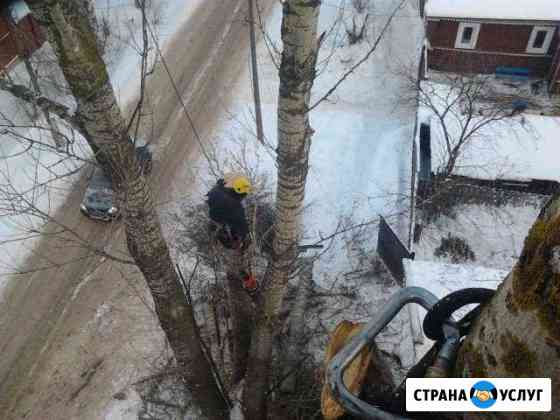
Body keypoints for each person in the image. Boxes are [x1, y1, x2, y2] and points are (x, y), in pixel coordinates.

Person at [207, 173, 257, 292]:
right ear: (240, 192)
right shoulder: (235, 206)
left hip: (214, 218)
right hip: (219, 227)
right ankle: (244, 278)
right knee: (232, 250)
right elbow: (241, 225)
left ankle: (243, 274)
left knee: (232, 244)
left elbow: (219, 184)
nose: (245, 195)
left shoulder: (218, 189)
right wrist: (244, 238)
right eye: (245, 193)